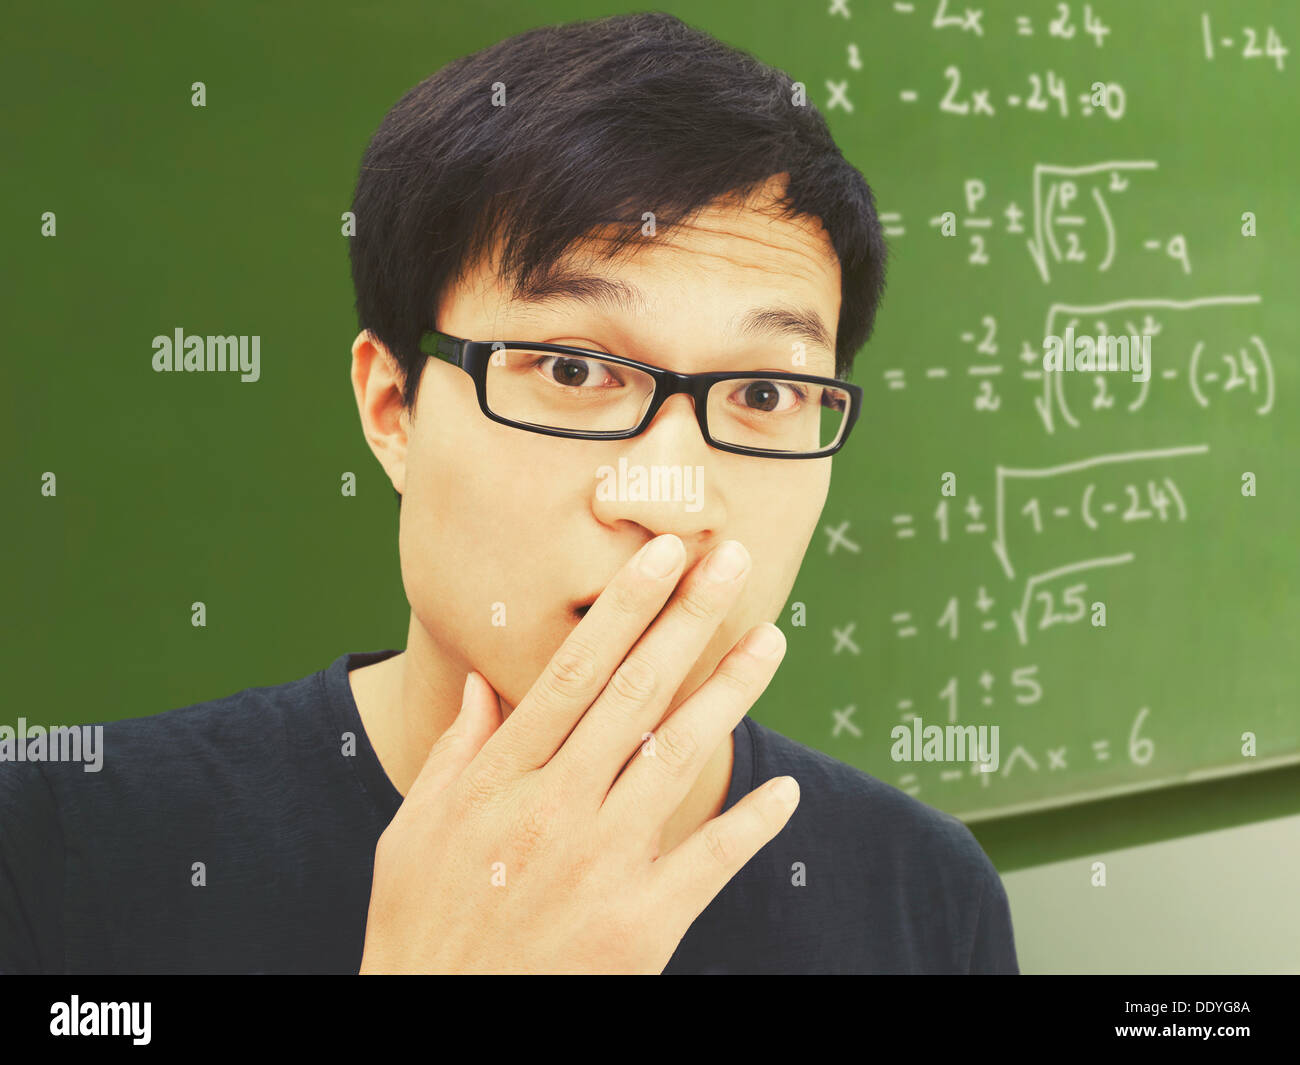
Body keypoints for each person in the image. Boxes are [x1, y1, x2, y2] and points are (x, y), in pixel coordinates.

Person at [0, 11, 1017, 974]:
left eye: (764, 391)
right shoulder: (57, 849)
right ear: (393, 405)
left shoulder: (924, 892)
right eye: (573, 371)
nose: (669, 496)